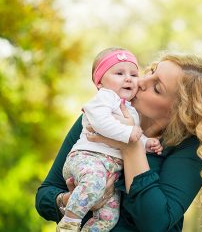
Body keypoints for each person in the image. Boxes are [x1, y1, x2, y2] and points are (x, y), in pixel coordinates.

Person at [36, 52, 202, 231]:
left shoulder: (192, 150)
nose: (141, 82)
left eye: (157, 88)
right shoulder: (100, 117)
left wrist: (131, 146)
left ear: (180, 112)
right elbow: (45, 195)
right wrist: (71, 200)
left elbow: (155, 223)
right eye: (152, 71)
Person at [56, 47, 163, 232]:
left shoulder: (130, 109)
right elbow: (101, 123)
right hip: (87, 158)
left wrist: (146, 143)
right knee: (93, 183)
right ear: (99, 83)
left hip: (110, 171)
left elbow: (134, 136)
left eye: (133, 74)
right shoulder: (105, 98)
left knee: (109, 216)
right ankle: (69, 223)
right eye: (119, 73)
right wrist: (128, 134)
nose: (128, 78)